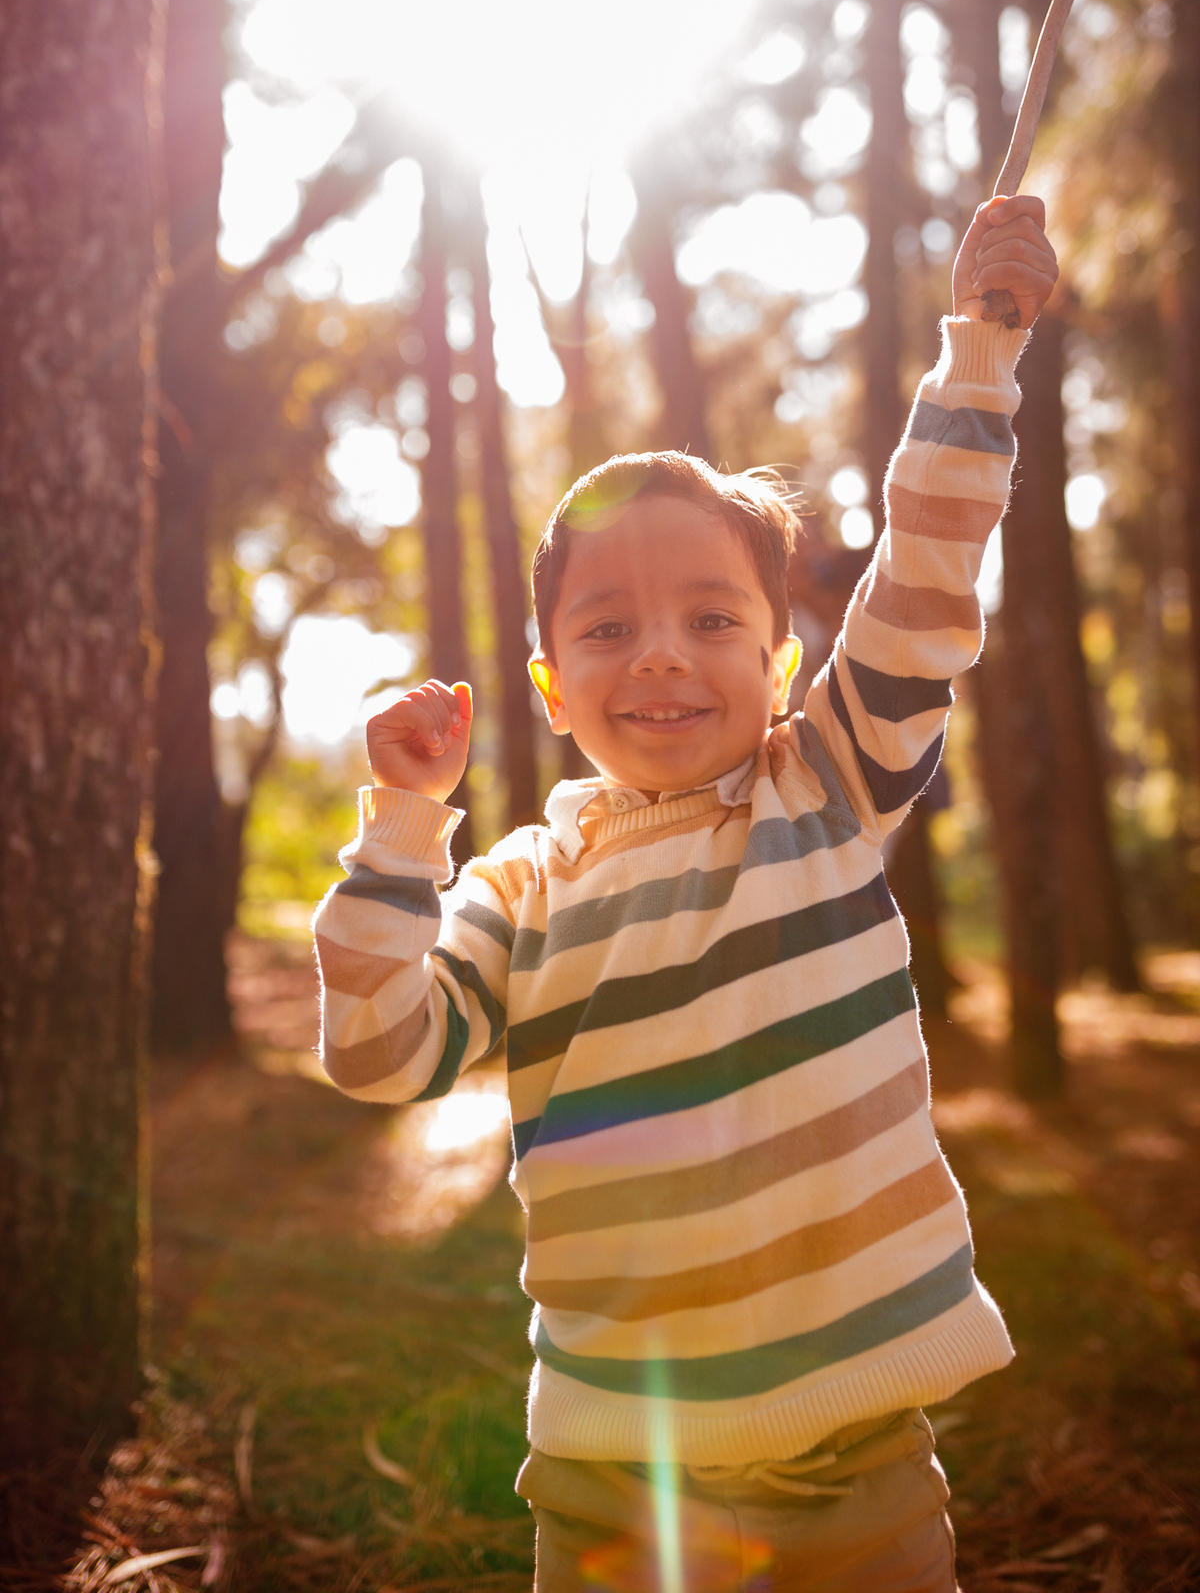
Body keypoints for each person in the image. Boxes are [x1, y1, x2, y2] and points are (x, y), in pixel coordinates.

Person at [313, 195, 1059, 1591]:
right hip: (616, 1483)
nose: (662, 656)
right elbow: (376, 1055)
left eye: (714, 619)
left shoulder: (821, 786)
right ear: (550, 685)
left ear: (783, 664)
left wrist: (980, 354)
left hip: (860, 1458)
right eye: (608, 627)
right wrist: (405, 828)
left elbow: (923, 578)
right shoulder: (525, 886)